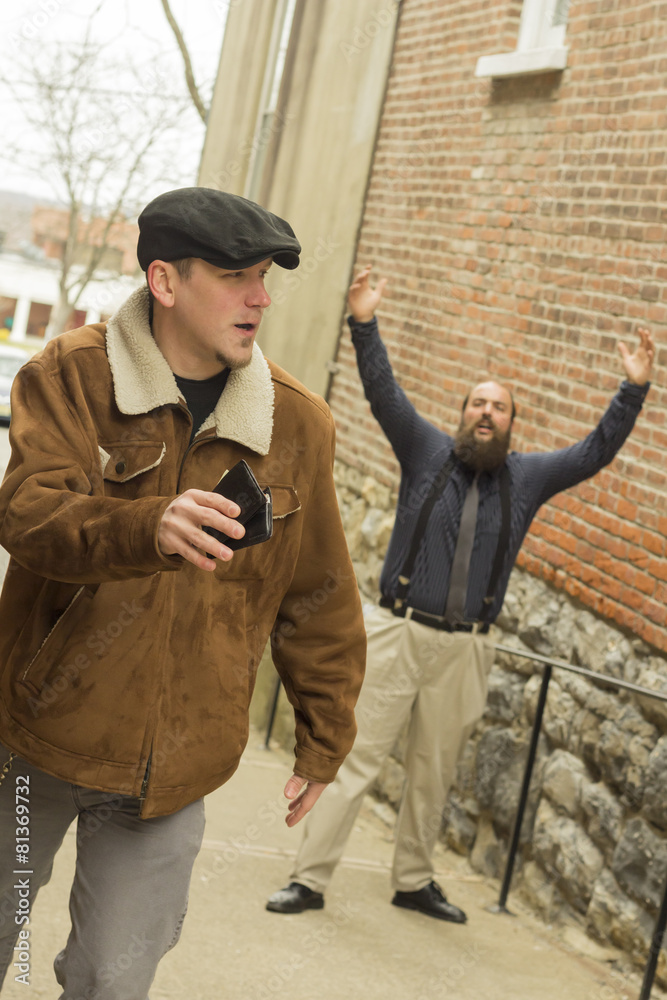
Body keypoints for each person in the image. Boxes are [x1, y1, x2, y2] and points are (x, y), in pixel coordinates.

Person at [0, 188, 366, 996]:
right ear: (165, 281)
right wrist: (147, 526)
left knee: (112, 980)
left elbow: (318, 592)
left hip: (174, 770)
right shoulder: (69, 375)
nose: (259, 298)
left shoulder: (298, 425)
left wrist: (325, 735)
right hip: (32, 739)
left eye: (264, 277)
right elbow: (27, 514)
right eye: (236, 276)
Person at [266, 265, 655, 923]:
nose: (486, 412)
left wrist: (632, 389)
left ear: (511, 424)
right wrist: (364, 321)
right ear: (463, 413)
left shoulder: (528, 479)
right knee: (355, 758)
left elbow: (594, 452)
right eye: (478, 403)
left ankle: (413, 881)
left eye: (499, 407)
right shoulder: (424, 451)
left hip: (465, 650)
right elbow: (384, 394)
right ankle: (308, 879)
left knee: (435, 771)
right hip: (397, 633)